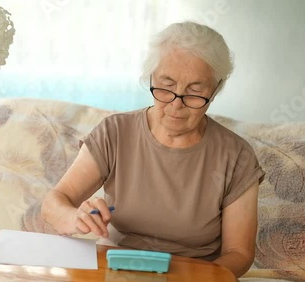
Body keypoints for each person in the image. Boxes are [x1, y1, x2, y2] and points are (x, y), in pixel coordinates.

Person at [41, 21, 265, 278]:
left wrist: (192, 278)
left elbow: (239, 253)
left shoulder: (237, 156)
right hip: (116, 271)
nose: (176, 104)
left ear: (215, 90)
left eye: (195, 91)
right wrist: (74, 218)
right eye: (166, 85)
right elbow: (54, 203)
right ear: (150, 78)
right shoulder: (114, 132)